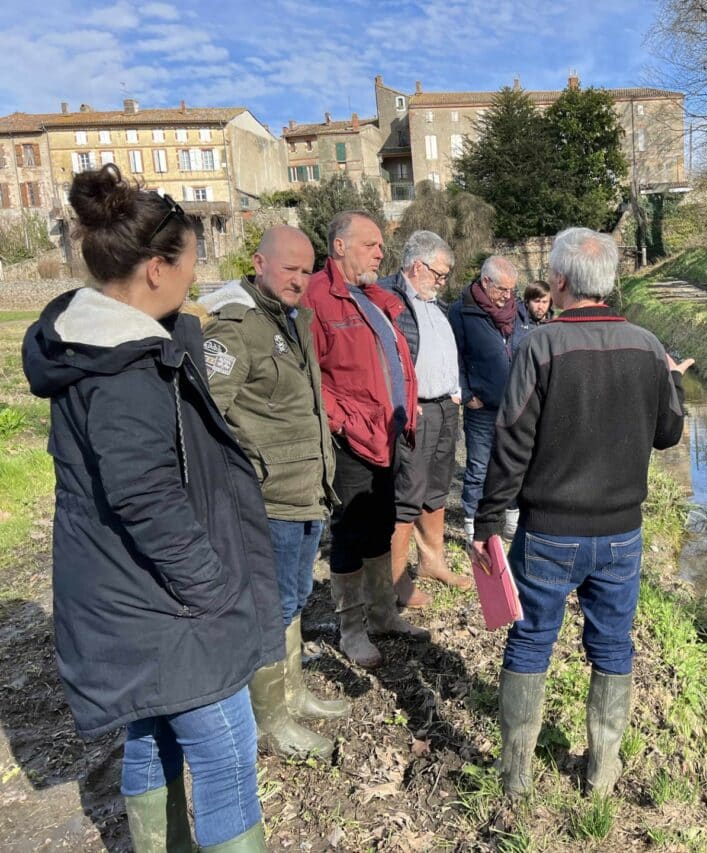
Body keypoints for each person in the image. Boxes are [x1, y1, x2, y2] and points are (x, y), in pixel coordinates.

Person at [22, 164, 277, 851]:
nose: (194, 280)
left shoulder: (85, 345)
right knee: (226, 760)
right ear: (157, 269)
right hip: (167, 608)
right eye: (191, 265)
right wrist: (213, 590)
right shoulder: (125, 365)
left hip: (122, 599)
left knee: (150, 731)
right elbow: (145, 496)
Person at [470, 227, 694, 798]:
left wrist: (488, 520)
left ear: (561, 281)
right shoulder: (647, 346)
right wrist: (672, 380)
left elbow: (511, 440)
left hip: (549, 531)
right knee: (614, 645)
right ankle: (601, 773)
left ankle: (516, 776)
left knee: (529, 641)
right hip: (622, 531)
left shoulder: (538, 346)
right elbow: (668, 435)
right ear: (611, 282)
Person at [199, 225, 348, 761]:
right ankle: (271, 721)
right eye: (289, 269)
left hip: (307, 486)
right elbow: (204, 415)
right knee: (273, 606)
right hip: (269, 497)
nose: (300, 280)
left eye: (307, 270)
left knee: (295, 600)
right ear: (259, 263)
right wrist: (245, 474)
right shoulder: (234, 328)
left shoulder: (292, 319)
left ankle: (294, 692)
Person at [302, 210, 428, 668]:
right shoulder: (317, 297)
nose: (380, 251)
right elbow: (308, 376)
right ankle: (351, 628)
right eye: (370, 244)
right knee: (351, 533)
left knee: (381, 524)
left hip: (388, 434)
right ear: (339, 246)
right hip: (353, 439)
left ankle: (381, 615)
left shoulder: (371, 297)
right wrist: (343, 422)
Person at [379, 231, 474, 608]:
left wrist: (455, 392)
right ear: (418, 266)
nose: (443, 281)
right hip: (414, 410)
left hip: (444, 408)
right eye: (440, 273)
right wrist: (400, 398)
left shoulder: (433, 302)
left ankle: (433, 562)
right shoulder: (390, 300)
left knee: (436, 489)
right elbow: (382, 357)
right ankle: (396, 581)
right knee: (407, 496)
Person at [447, 255, 527, 542]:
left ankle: (510, 521)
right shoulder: (461, 312)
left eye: (512, 291)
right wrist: (466, 394)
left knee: (513, 463)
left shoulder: (518, 311)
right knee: (479, 467)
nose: (507, 297)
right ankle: (472, 524)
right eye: (502, 290)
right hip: (481, 406)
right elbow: (453, 355)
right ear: (485, 282)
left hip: (516, 405)